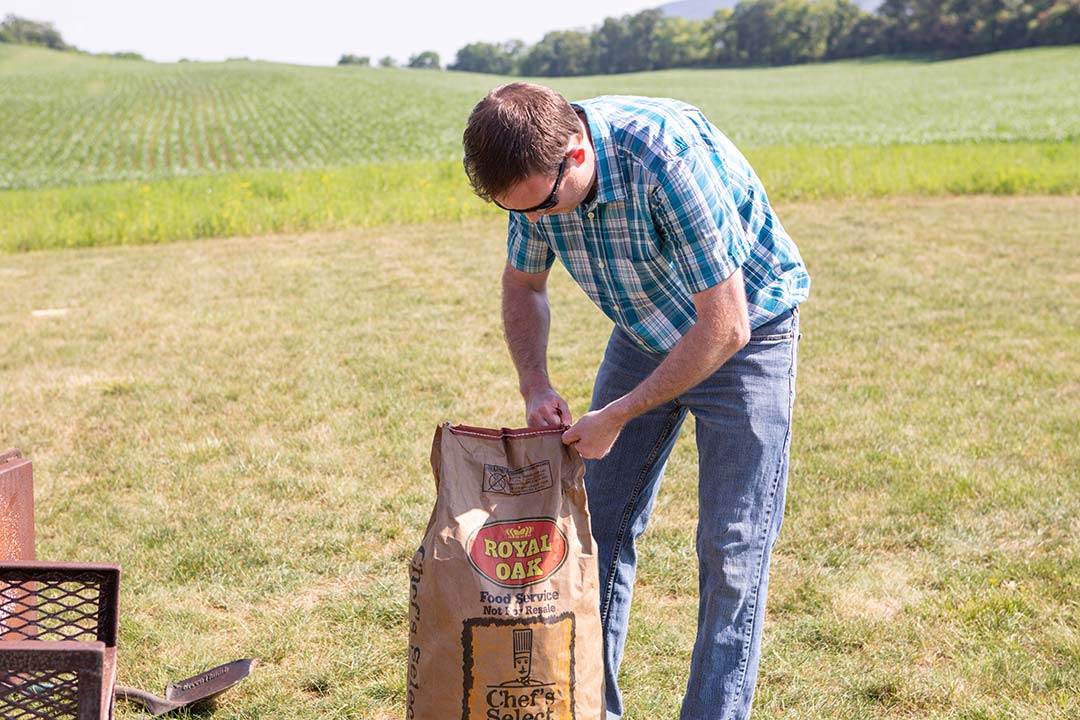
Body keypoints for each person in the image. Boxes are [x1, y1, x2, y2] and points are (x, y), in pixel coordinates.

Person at [461, 82, 810, 720]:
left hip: (748, 332)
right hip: (645, 329)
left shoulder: (665, 159)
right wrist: (534, 384)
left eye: (543, 206)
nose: (537, 222)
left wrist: (617, 415)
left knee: (732, 549)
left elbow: (723, 326)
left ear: (575, 154)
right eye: (521, 214)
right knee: (597, 534)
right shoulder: (533, 183)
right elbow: (525, 284)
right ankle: (592, 709)